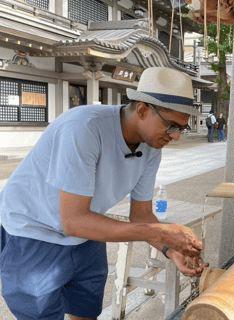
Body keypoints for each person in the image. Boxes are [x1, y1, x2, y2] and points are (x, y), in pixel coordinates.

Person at [0, 67, 209, 320]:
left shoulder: (153, 145)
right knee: (41, 314)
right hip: (34, 231)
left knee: (86, 309)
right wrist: (162, 232)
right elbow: (73, 220)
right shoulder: (83, 127)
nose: (175, 136)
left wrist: (171, 251)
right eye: (171, 126)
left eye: (181, 129)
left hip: (87, 231)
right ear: (142, 109)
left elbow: (141, 216)